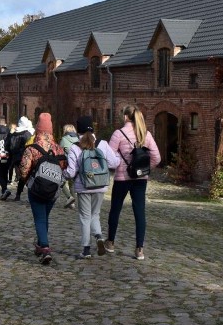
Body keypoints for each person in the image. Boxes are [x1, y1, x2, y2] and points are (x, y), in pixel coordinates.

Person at [106, 105, 162, 260]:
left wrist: (120, 164)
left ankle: (110, 242)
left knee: (115, 209)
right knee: (140, 213)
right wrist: (144, 169)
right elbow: (157, 158)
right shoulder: (145, 134)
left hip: (122, 178)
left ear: (125, 117)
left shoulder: (119, 134)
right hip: (140, 179)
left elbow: (109, 158)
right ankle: (139, 249)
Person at [63, 116, 120, 259]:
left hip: (83, 187)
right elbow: (113, 163)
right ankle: (99, 237)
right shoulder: (102, 144)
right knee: (95, 215)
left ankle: (86, 249)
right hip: (100, 185)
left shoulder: (75, 147)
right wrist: (119, 156)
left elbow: (71, 172)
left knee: (84, 217)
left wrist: (62, 173)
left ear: (78, 131)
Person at [18, 113, 66, 265]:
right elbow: (64, 167)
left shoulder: (31, 148)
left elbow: (24, 169)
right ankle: (40, 245)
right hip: (53, 190)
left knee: (39, 218)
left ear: (37, 129)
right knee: (44, 217)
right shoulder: (58, 149)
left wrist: (27, 182)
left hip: (37, 189)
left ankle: (45, 248)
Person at [9, 117, 35, 201]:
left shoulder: (14, 134)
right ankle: (30, 194)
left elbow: (11, 147)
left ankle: (18, 194)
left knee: (22, 176)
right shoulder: (27, 134)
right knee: (27, 176)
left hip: (16, 157)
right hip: (26, 157)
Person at [59, 124, 80, 209]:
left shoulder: (64, 139)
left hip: (66, 164)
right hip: (76, 164)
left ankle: (69, 197)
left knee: (60, 181)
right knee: (72, 184)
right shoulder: (78, 139)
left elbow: (59, 152)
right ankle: (73, 202)